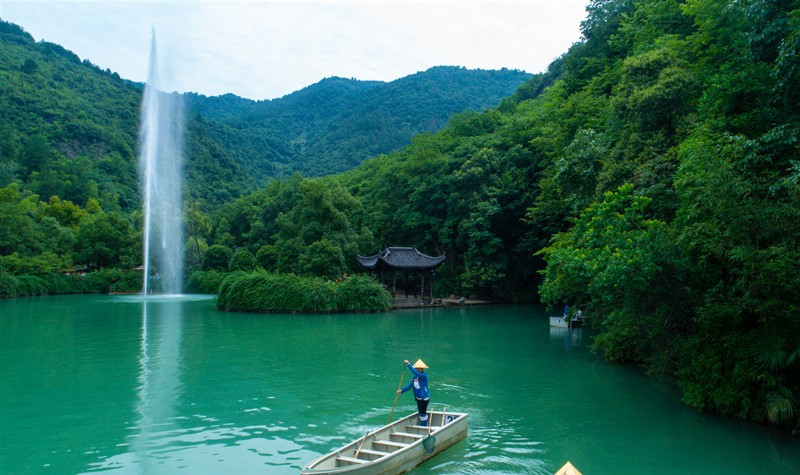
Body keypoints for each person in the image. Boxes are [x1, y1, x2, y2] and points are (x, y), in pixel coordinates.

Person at [397, 358, 430, 426]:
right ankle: (424, 422)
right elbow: (410, 386)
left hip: (424, 398)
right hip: (418, 397)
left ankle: (424, 426)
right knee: (421, 413)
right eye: (416, 368)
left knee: (422, 414)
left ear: (421, 369)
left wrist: (408, 364)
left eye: (418, 368)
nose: (417, 369)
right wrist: (401, 390)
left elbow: (415, 372)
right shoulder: (415, 377)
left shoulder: (424, 376)